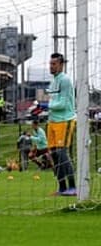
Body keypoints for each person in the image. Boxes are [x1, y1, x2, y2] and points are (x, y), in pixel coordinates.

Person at [46, 52, 77, 196]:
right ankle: (62, 187)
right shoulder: (53, 81)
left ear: (61, 64)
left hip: (65, 120)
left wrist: (46, 105)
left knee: (62, 153)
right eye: (50, 64)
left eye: (54, 64)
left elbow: (63, 104)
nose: (51, 66)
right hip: (52, 122)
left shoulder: (65, 80)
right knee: (54, 155)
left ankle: (73, 186)